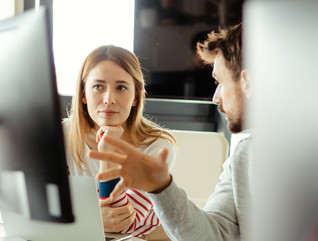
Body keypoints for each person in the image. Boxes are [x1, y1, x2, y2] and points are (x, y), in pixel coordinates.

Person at [88, 23, 252, 241]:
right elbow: (211, 236)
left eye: (219, 82)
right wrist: (161, 187)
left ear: (247, 82)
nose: (215, 98)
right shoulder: (242, 156)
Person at [62, 45, 176, 240]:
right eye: (98, 87)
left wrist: (108, 150)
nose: (108, 99)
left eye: (121, 88)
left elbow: (120, 224)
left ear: (135, 97)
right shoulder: (60, 135)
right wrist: (92, 219)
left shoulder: (158, 145)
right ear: (83, 94)